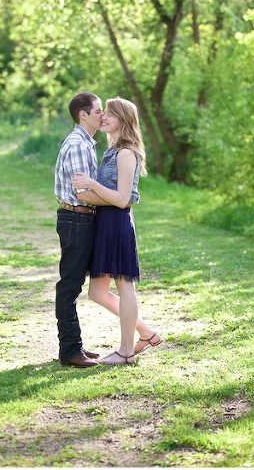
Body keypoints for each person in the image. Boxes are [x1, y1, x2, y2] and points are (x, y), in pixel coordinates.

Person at [71, 97, 162, 365]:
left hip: (117, 222)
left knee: (125, 287)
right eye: (103, 113)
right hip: (104, 221)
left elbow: (123, 199)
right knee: (97, 293)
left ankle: (125, 352)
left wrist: (90, 184)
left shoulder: (126, 153)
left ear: (123, 120)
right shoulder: (112, 150)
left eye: (109, 114)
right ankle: (145, 333)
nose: (103, 118)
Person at [53, 91, 107, 368]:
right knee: (69, 285)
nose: (103, 114)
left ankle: (76, 346)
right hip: (76, 218)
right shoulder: (77, 144)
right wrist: (118, 201)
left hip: (81, 218)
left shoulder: (86, 143)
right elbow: (84, 193)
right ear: (83, 114)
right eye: (98, 110)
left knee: (73, 284)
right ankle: (70, 351)